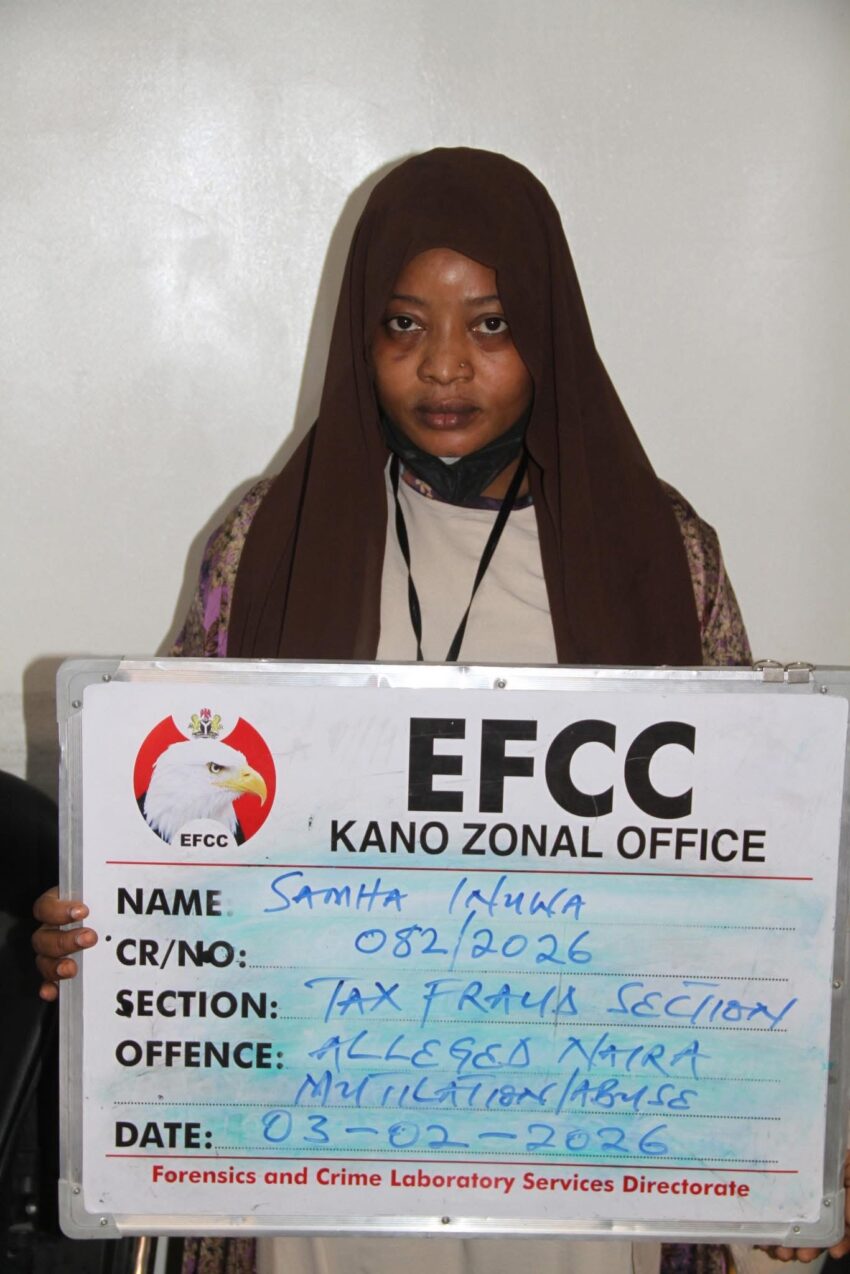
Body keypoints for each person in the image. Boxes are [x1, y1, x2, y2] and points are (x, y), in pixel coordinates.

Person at [32, 149, 842, 1273]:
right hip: (318, 1164)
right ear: (360, 337)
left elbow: (746, 876)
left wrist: (785, 1141)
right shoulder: (269, 542)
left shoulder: (659, 553)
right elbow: (173, 835)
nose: (444, 365)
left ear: (548, 331)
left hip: (586, 1156)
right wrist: (99, 931)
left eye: (492, 324)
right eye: (404, 325)